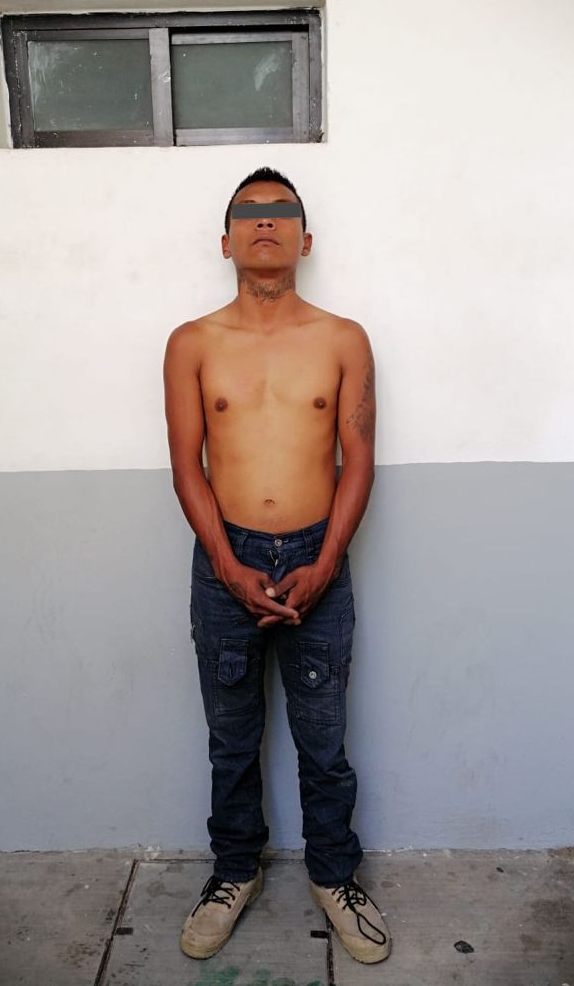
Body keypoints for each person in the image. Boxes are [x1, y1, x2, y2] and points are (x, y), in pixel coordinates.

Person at [163, 167, 391, 965]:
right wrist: (226, 565)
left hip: (316, 554)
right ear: (226, 241)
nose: (267, 221)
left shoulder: (343, 339)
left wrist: (325, 562)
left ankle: (334, 876)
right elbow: (187, 467)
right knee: (232, 740)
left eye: (282, 211)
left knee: (324, 741)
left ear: (306, 238)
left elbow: (359, 458)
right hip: (223, 558)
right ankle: (234, 872)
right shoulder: (192, 343)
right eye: (250, 213)